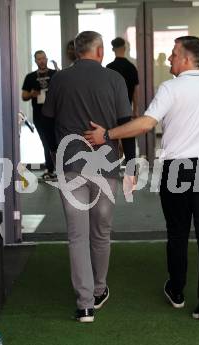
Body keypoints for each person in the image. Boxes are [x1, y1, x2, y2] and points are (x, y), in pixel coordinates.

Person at [85, 36, 199, 321]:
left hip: (175, 169)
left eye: (174, 54)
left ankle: (176, 291)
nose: (169, 59)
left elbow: (146, 123)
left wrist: (107, 135)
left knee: (178, 232)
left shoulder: (170, 88)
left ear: (187, 59)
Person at [42, 31, 136, 323]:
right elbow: (126, 124)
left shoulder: (59, 80)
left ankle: (85, 305)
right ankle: (98, 289)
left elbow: (45, 121)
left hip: (70, 166)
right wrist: (131, 164)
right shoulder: (115, 80)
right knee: (101, 232)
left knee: (77, 234)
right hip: (106, 167)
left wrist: (55, 150)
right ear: (98, 52)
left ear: (75, 51)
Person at [22, 50, 57, 180]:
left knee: (57, 142)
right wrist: (31, 94)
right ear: (35, 61)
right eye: (39, 59)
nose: (42, 61)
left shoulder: (55, 74)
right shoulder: (30, 77)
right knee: (46, 142)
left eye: (43, 58)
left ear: (46, 59)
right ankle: (50, 169)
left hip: (56, 115)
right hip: (39, 115)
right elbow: (24, 96)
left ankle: (61, 169)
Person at [106, 37, 140, 118]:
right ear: (124, 49)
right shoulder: (131, 67)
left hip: (111, 111)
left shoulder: (109, 68)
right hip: (126, 111)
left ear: (113, 49)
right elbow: (135, 91)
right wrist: (135, 110)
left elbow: (106, 91)